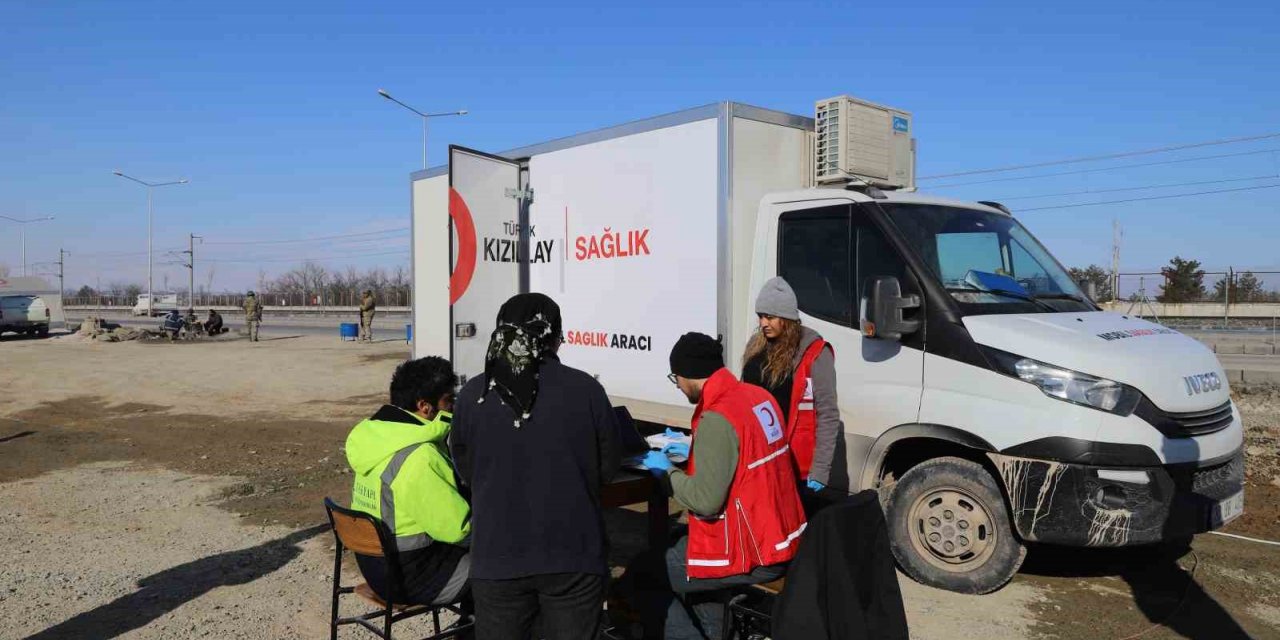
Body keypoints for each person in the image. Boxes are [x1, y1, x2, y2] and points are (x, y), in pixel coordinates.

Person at [450, 293, 620, 640]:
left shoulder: (473, 394)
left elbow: (465, 471)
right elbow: (607, 468)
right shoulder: (587, 390)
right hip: (574, 554)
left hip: (497, 556)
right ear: (554, 338)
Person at [638, 332, 807, 640]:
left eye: (675, 379)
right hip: (781, 537)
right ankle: (716, 633)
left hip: (752, 551)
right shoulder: (758, 396)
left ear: (687, 375)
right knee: (682, 551)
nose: (678, 386)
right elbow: (748, 454)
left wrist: (666, 473)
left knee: (646, 574)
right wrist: (696, 448)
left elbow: (706, 501)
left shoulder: (717, 416)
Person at [345, 356, 472, 609]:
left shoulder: (377, 439)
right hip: (413, 578)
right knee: (505, 566)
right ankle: (478, 626)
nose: (453, 407)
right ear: (425, 406)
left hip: (377, 568)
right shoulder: (419, 455)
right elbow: (459, 530)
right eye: (449, 400)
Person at [742, 277, 844, 497]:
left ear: (786, 318)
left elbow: (828, 414)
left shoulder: (815, 353)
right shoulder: (755, 346)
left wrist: (820, 470)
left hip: (793, 463)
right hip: (755, 455)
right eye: (761, 316)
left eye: (770, 317)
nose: (763, 323)